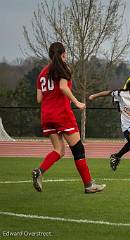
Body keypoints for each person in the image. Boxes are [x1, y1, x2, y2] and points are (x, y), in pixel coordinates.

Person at [32, 42, 106, 194]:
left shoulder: (41, 74)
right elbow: (63, 87)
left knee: (59, 150)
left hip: (47, 115)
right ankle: (88, 185)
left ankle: (40, 171)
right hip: (62, 114)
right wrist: (77, 102)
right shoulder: (63, 68)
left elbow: (39, 99)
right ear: (63, 54)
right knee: (78, 149)